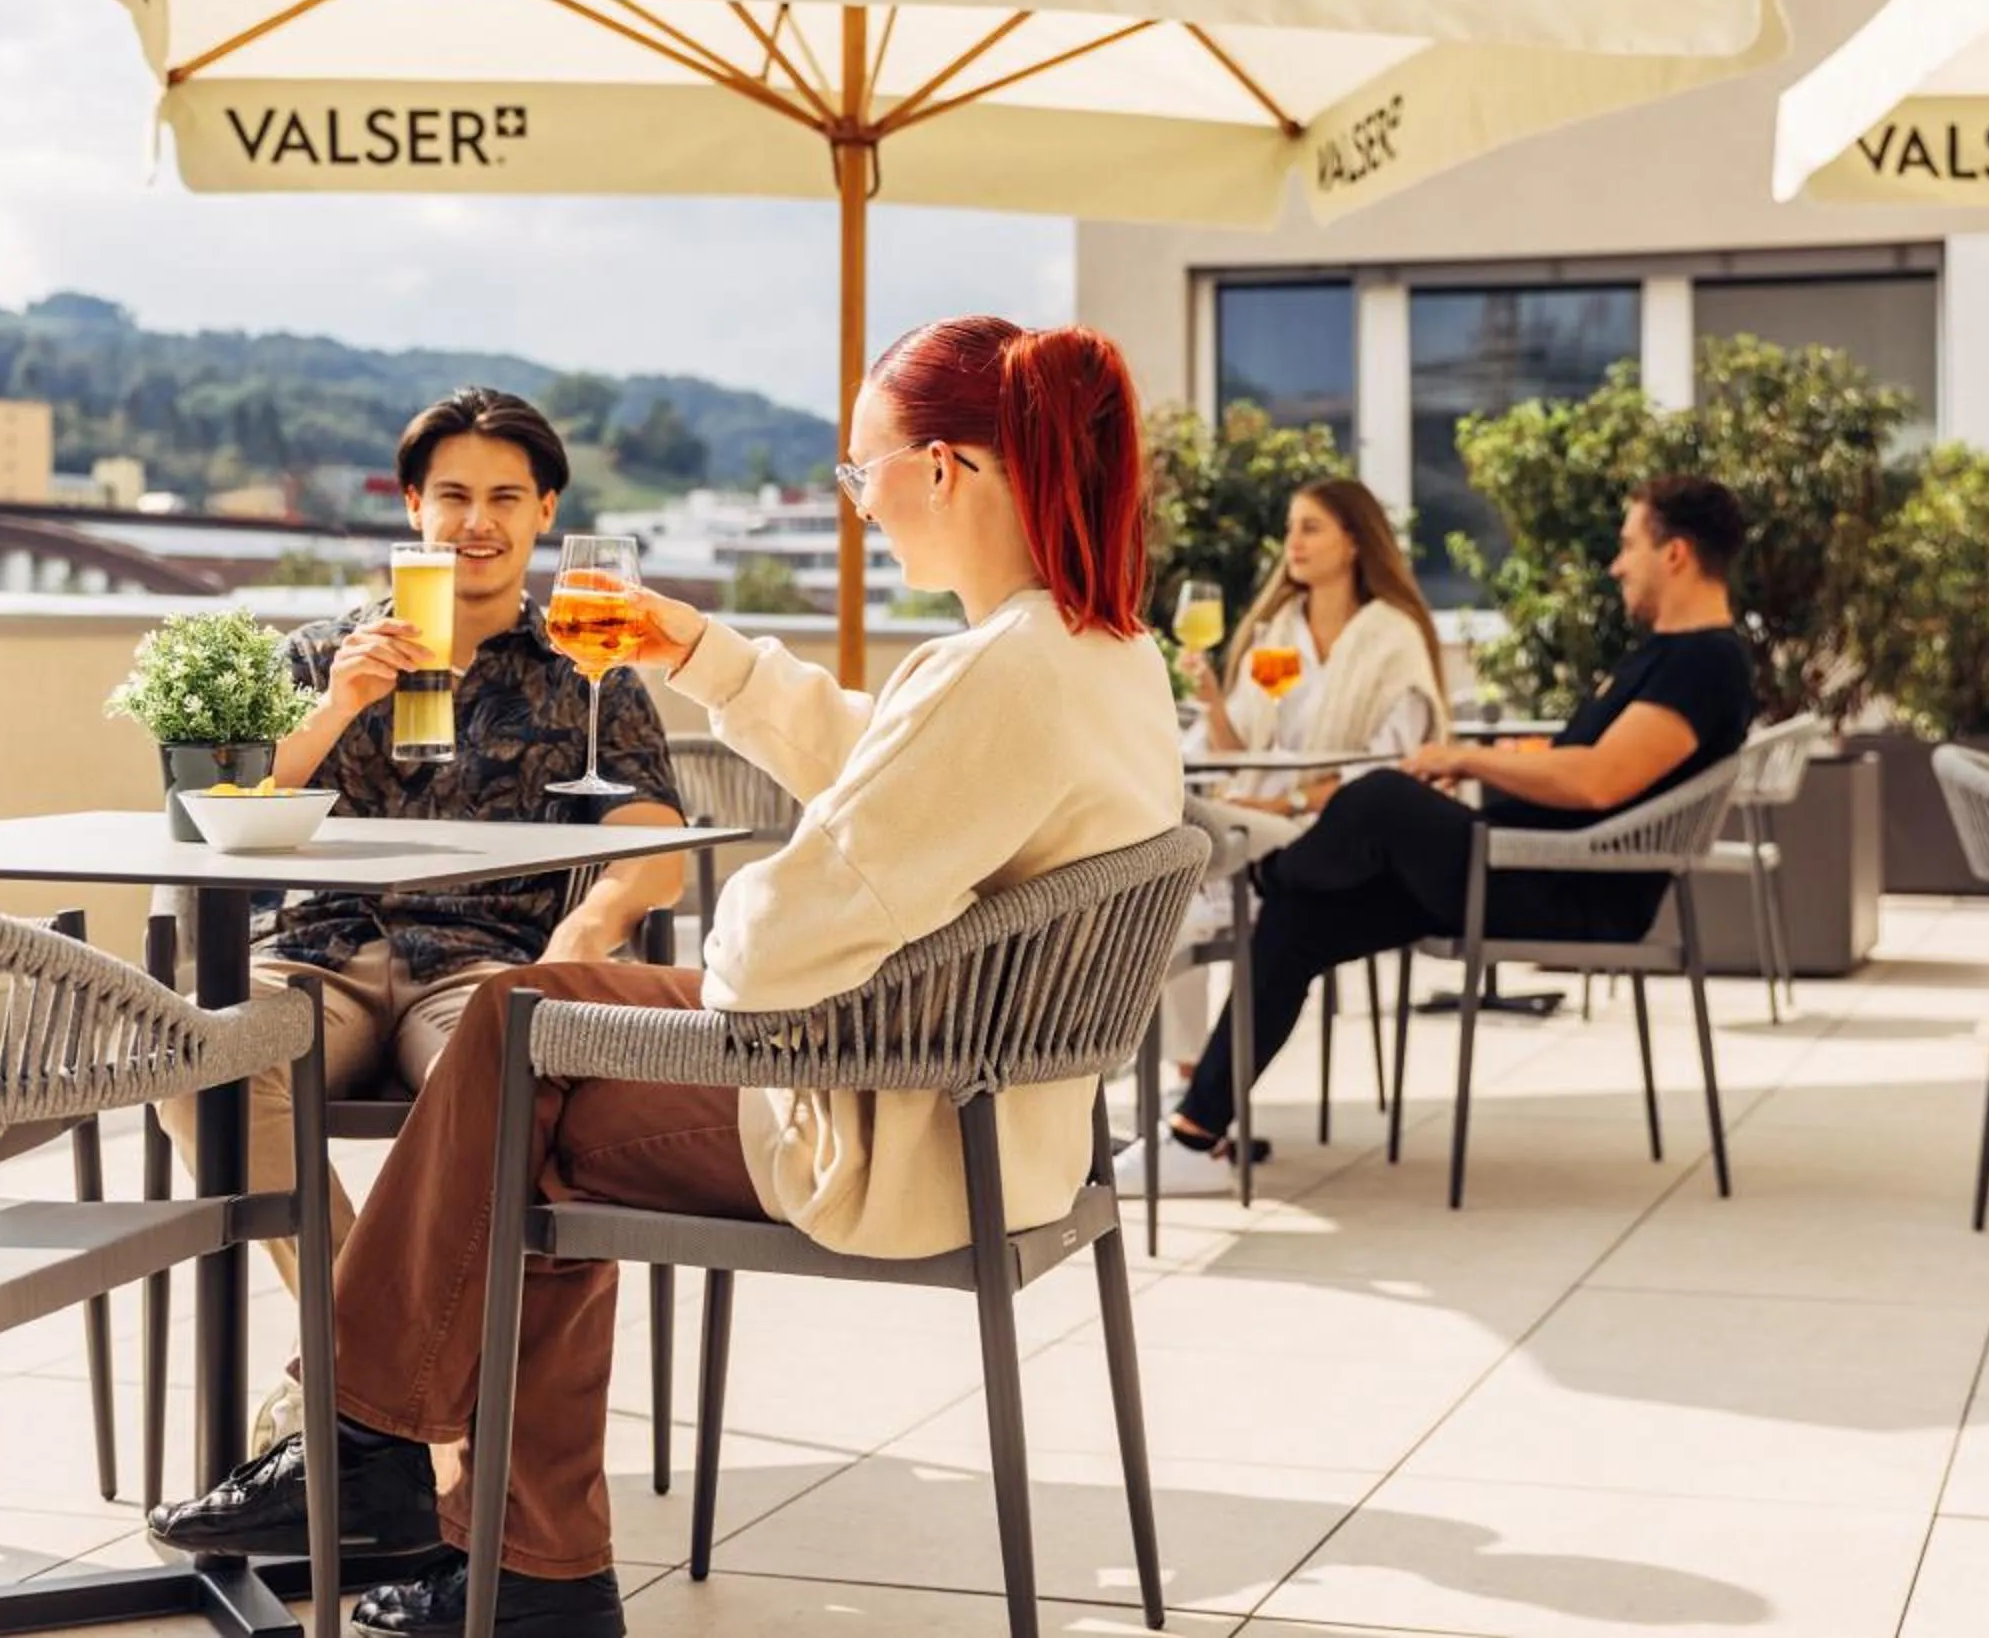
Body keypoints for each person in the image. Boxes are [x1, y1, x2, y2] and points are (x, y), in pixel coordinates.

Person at [148, 319, 1177, 1638]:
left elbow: (786, 942)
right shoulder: (1091, 651)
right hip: (979, 1107)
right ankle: (474, 1524)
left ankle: (405, 1463)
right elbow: (897, 765)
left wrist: (718, 940)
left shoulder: (1004, 669)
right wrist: (702, 649)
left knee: (531, 1072)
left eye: (860, 476)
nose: (860, 510)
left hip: (898, 1122)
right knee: (533, 1043)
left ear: (944, 468)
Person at [159, 386, 686, 1452]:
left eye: (504, 496)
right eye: (452, 495)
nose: (476, 521)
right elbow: (215, 821)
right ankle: (390, 1394)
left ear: (546, 512)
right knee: (197, 1052)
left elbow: (656, 847)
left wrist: (582, 941)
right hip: (324, 954)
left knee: (514, 1097)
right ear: (411, 507)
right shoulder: (320, 655)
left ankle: (353, 1401)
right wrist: (338, 702)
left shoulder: (591, 667)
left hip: (483, 964)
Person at [1154, 474, 1757, 1178]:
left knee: (1381, 795)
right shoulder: (1661, 655)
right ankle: (1194, 1139)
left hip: (1567, 884)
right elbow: (1589, 765)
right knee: (1298, 921)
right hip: (1517, 863)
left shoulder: (1706, 661)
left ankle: (1255, 873)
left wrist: (1468, 757)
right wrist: (1513, 762)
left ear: (1675, 554)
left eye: (1628, 545)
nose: (1617, 563)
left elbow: (1598, 781)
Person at [1146, 478, 1447, 1194]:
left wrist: (1292, 795)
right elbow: (1241, 746)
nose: (1295, 544)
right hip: (1258, 818)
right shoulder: (1279, 636)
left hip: (1338, 839)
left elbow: (1390, 773)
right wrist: (1217, 703)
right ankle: (1193, 1083)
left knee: (1180, 887)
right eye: (1291, 528)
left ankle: (1195, 1104)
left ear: (1354, 539)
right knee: (1164, 879)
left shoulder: (1388, 639)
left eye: (1311, 528)